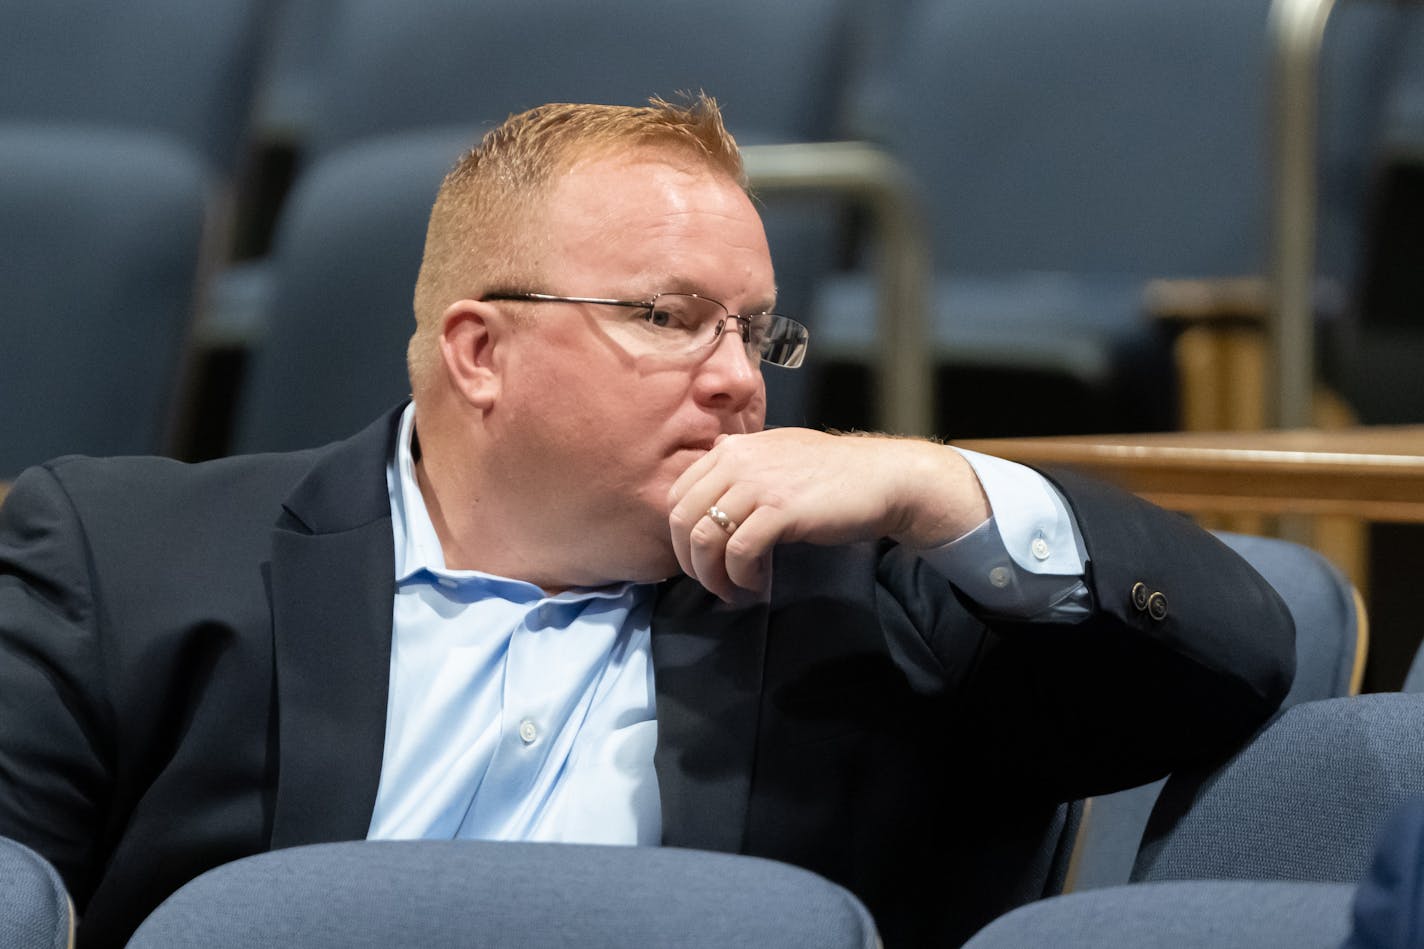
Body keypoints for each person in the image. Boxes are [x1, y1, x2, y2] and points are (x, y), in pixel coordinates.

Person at [0, 96, 1294, 948]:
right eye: (670, 318)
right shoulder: (123, 563)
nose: (740, 377)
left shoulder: (856, 594)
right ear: (481, 351)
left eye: (757, 330)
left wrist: (940, 485)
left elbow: (1240, 655)